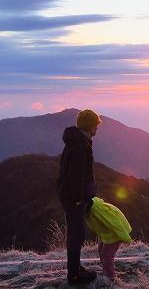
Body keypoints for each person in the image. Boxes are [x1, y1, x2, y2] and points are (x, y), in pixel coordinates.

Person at [56, 109, 102, 285]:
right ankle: (74, 275)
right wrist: (78, 198)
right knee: (77, 234)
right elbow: (76, 174)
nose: (97, 128)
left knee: (76, 232)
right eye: (96, 125)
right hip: (73, 196)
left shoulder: (76, 141)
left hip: (69, 194)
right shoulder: (81, 145)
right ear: (90, 126)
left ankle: (74, 267)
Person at [85, 197, 132, 282]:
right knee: (101, 250)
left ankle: (110, 277)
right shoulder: (88, 211)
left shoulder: (98, 210)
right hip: (108, 233)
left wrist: (125, 237)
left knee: (106, 254)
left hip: (116, 232)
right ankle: (106, 271)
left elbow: (115, 223)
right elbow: (98, 226)